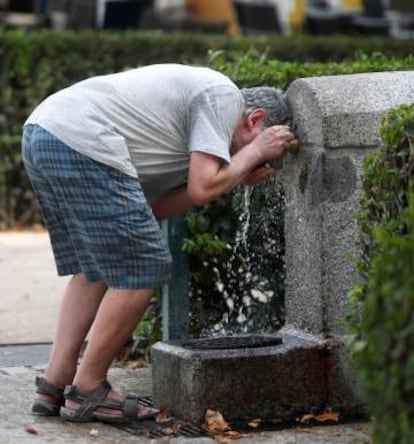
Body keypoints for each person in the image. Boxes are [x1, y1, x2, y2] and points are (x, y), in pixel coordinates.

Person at [22, 63, 297, 423]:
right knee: (142, 268)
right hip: (79, 136)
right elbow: (203, 187)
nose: (260, 158)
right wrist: (255, 152)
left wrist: (239, 168)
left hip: (44, 132)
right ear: (255, 118)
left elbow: (154, 209)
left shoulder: (187, 136)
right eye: (264, 143)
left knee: (96, 268)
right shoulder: (223, 95)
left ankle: (54, 383)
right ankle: (89, 389)